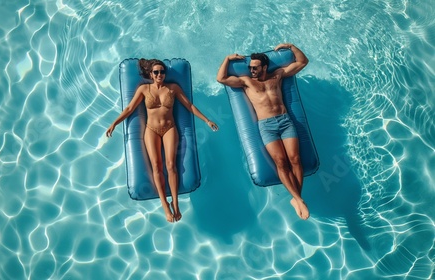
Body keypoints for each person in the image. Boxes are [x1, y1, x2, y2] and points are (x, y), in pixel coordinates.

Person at [106, 58, 219, 223]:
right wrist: (114, 123)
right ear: (151, 74)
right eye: (156, 72)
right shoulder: (144, 89)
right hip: (151, 130)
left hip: (169, 128)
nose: (160, 74)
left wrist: (207, 120)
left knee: (171, 165)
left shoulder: (173, 88)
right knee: (156, 166)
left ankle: (176, 203)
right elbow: (130, 108)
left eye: (162, 72)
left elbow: (190, 106)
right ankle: (165, 204)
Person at [216, 43, 310, 220]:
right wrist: (227, 58)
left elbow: (303, 61)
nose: (251, 70)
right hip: (266, 126)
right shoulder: (246, 82)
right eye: (250, 67)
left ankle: (297, 199)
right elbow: (221, 79)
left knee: (295, 159)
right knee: (281, 162)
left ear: (264, 67)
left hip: (285, 121)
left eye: (255, 67)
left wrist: (290, 46)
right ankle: (299, 199)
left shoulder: (277, 76)